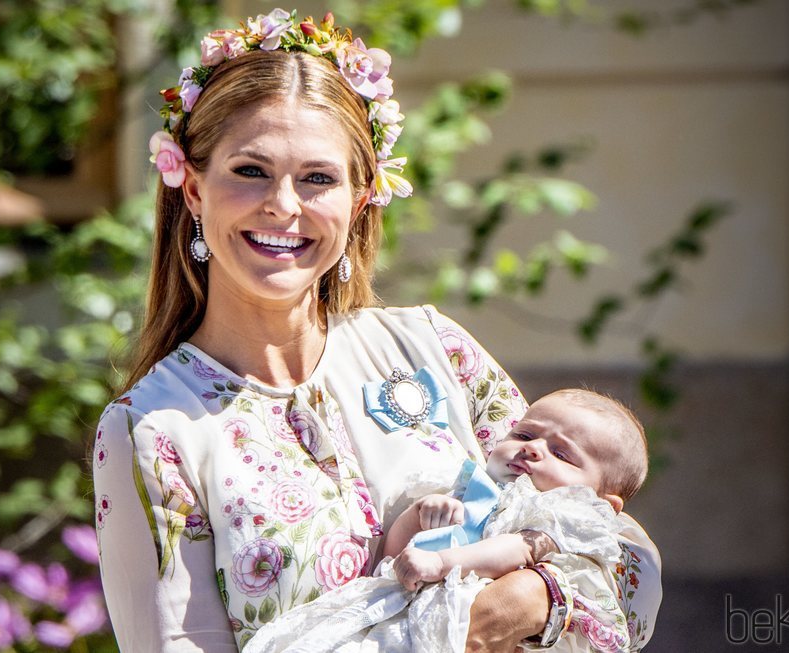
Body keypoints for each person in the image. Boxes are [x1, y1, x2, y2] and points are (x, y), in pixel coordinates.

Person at [91, 9, 662, 653]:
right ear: (192, 189)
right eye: (250, 170)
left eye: (318, 178)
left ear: (361, 199)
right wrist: (455, 636)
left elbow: (627, 565)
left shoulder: (432, 346)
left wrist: (532, 601)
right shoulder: (152, 431)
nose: (284, 204)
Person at [244, 388, 648, 652]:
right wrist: (416, 518)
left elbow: (516, 549)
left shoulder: (568, 514)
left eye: (562, 454)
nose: (533, 450)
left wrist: (440, 563)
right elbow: (392, 557)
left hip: (463, 615)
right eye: (525, 435)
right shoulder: (473, 484)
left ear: (603, 502)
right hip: (402, 604)